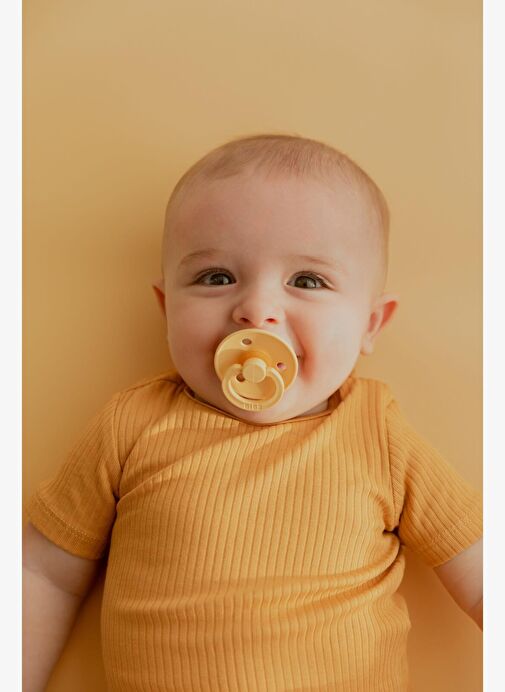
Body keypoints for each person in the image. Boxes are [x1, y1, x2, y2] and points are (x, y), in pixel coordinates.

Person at [23, 134, 483, 691]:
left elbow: (482, 574)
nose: (257, 310)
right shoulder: (133, 423)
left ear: (369, 325)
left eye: (307, 281)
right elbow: (43, 572)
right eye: (216, 277)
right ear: (167, 310)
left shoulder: (377, 432)